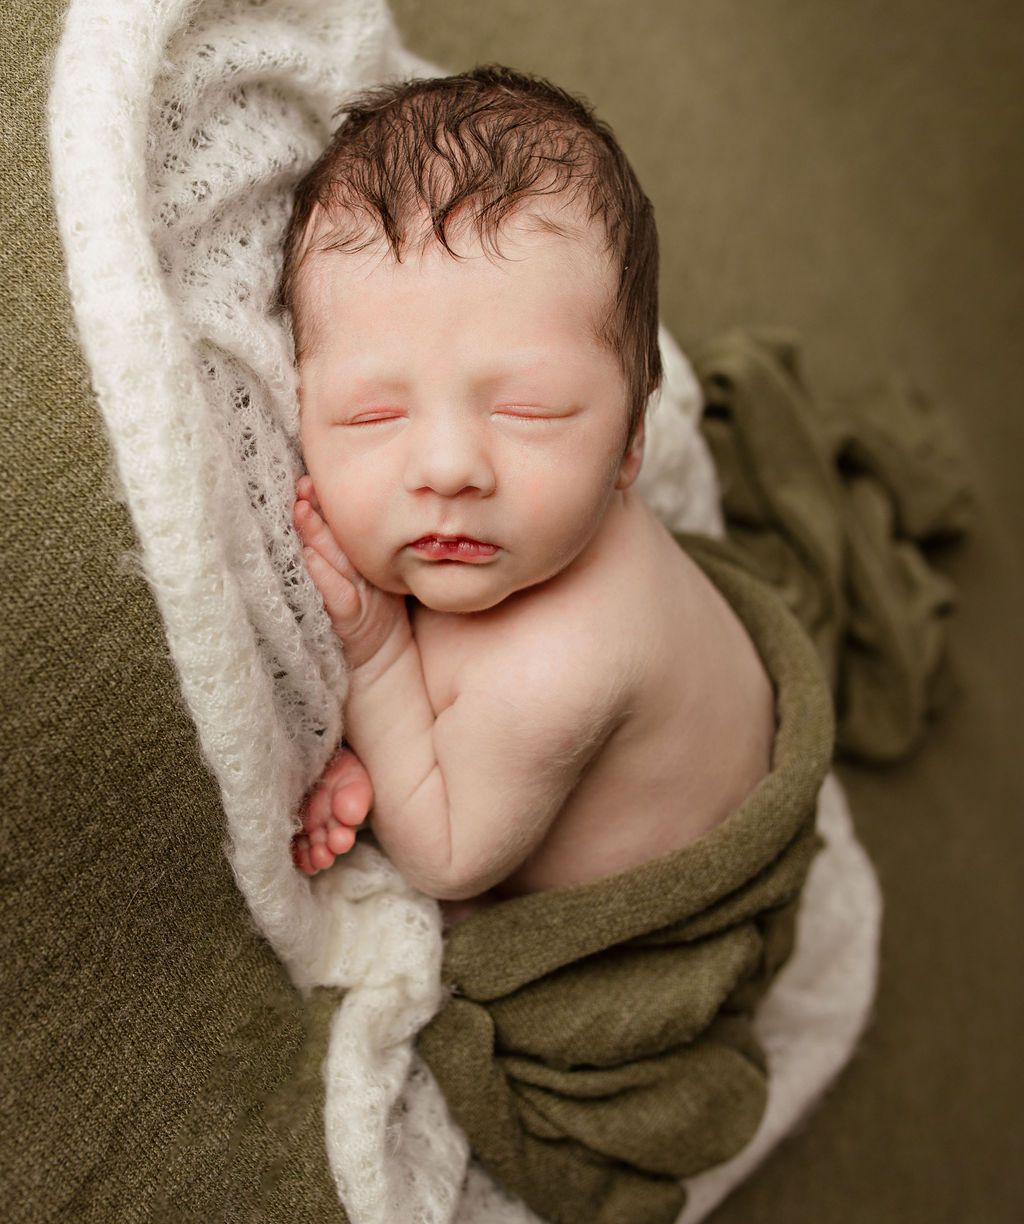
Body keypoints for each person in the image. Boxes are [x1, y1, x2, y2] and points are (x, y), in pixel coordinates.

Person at [280, 65, 775, 927]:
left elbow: (446, 858)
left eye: (528, 411)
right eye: (373, 415)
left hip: (663, 880)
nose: (448, 467)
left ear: (630, 442)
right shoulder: (525, 526)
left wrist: (378, 655)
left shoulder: (558, 668)